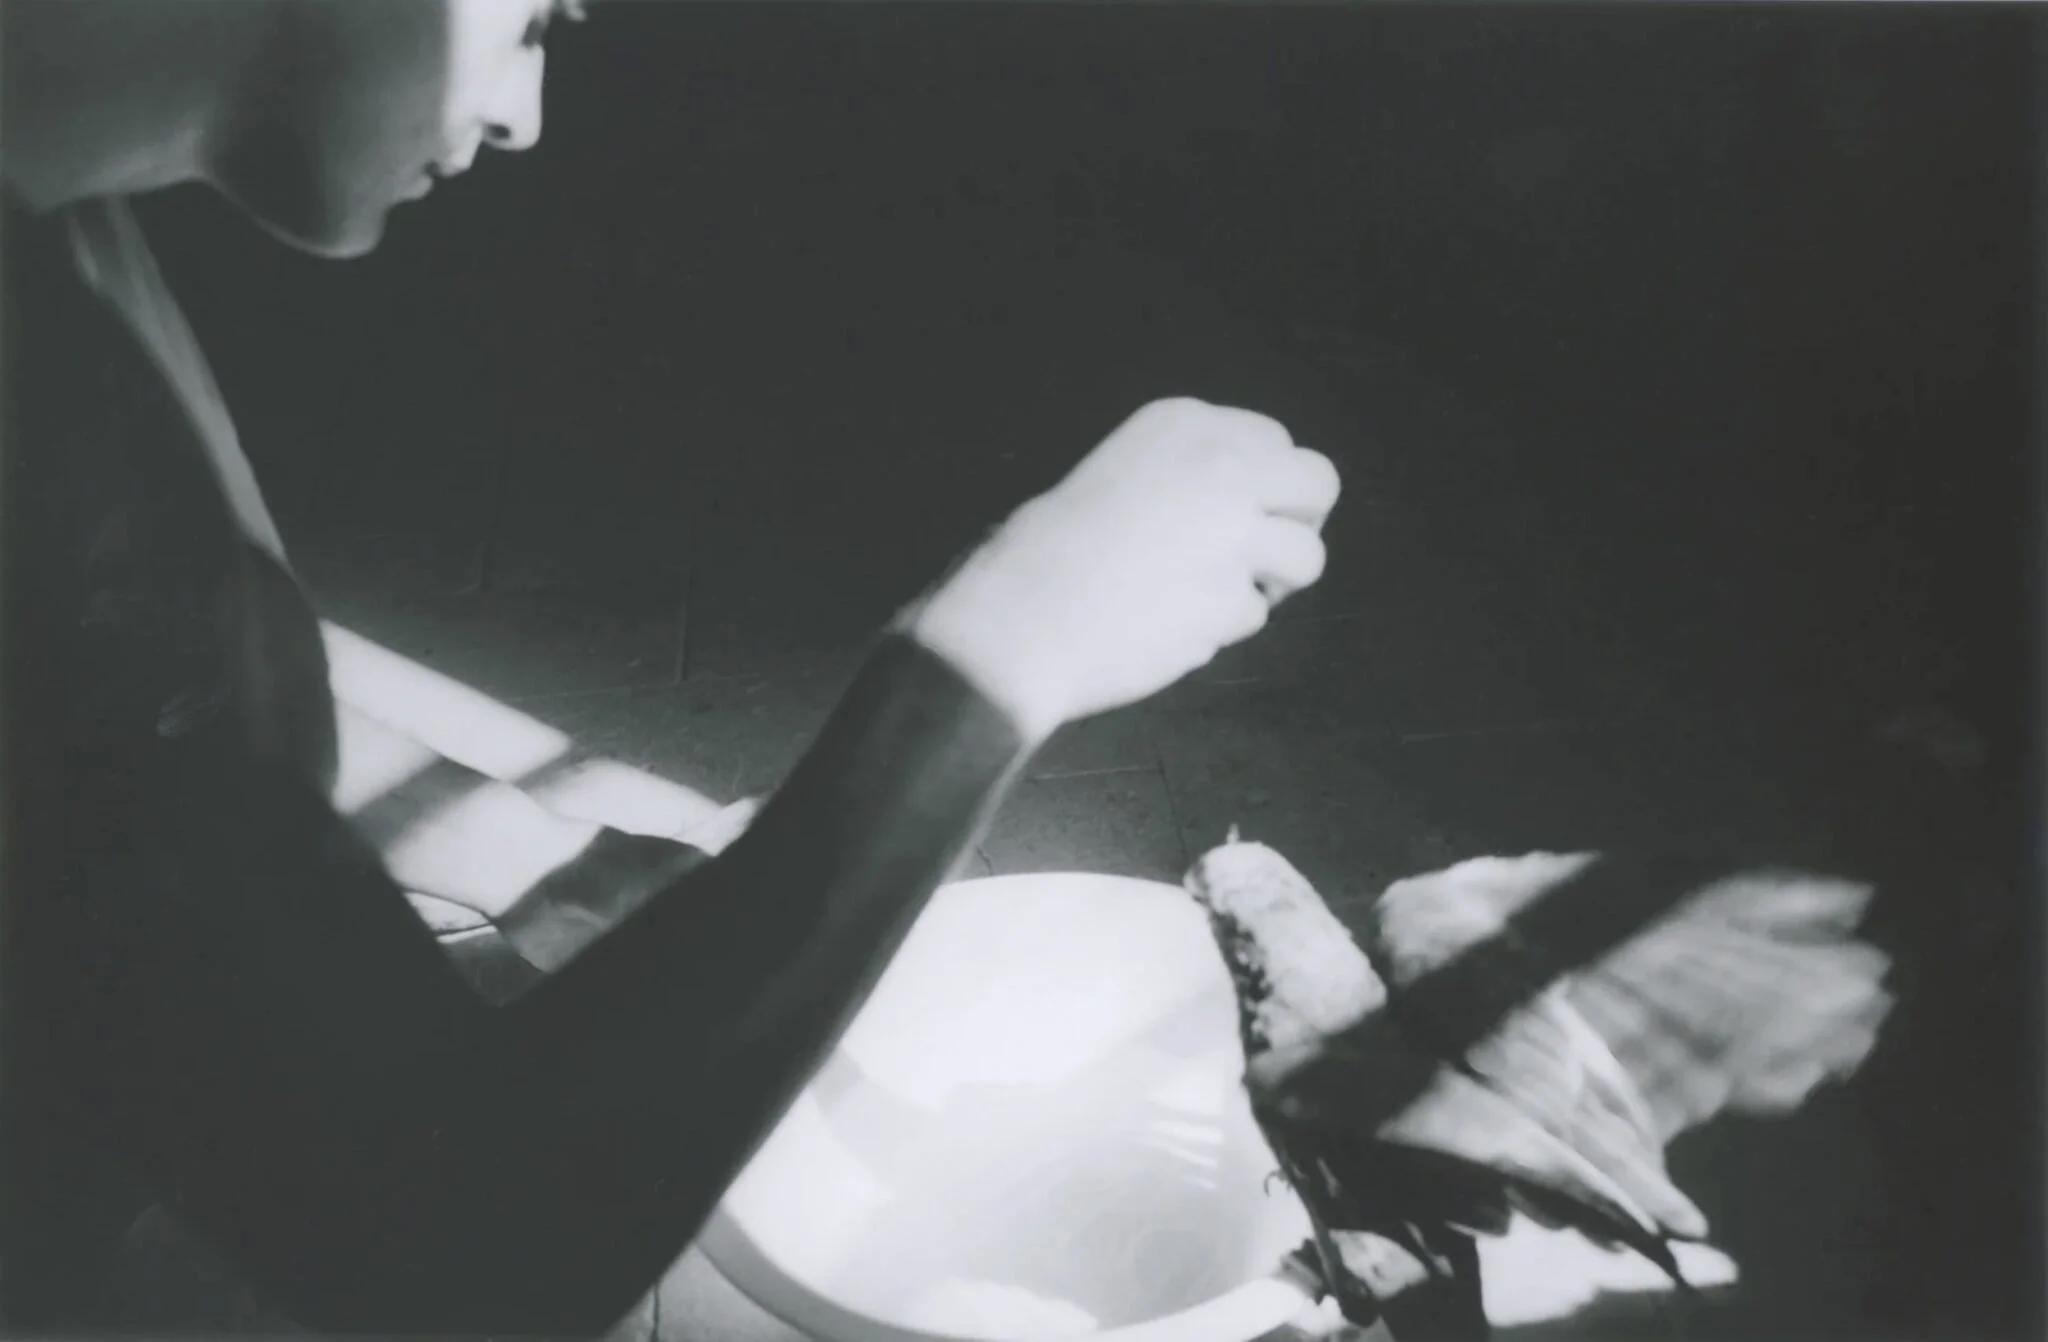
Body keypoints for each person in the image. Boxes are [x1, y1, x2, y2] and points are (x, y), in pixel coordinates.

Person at [0, 0, 1341, 1333]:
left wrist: (542, 853)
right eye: (540, 15)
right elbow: (455, 1263)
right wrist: (995, 655)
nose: (526, 115)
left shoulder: (58, 215)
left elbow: (165, 666)